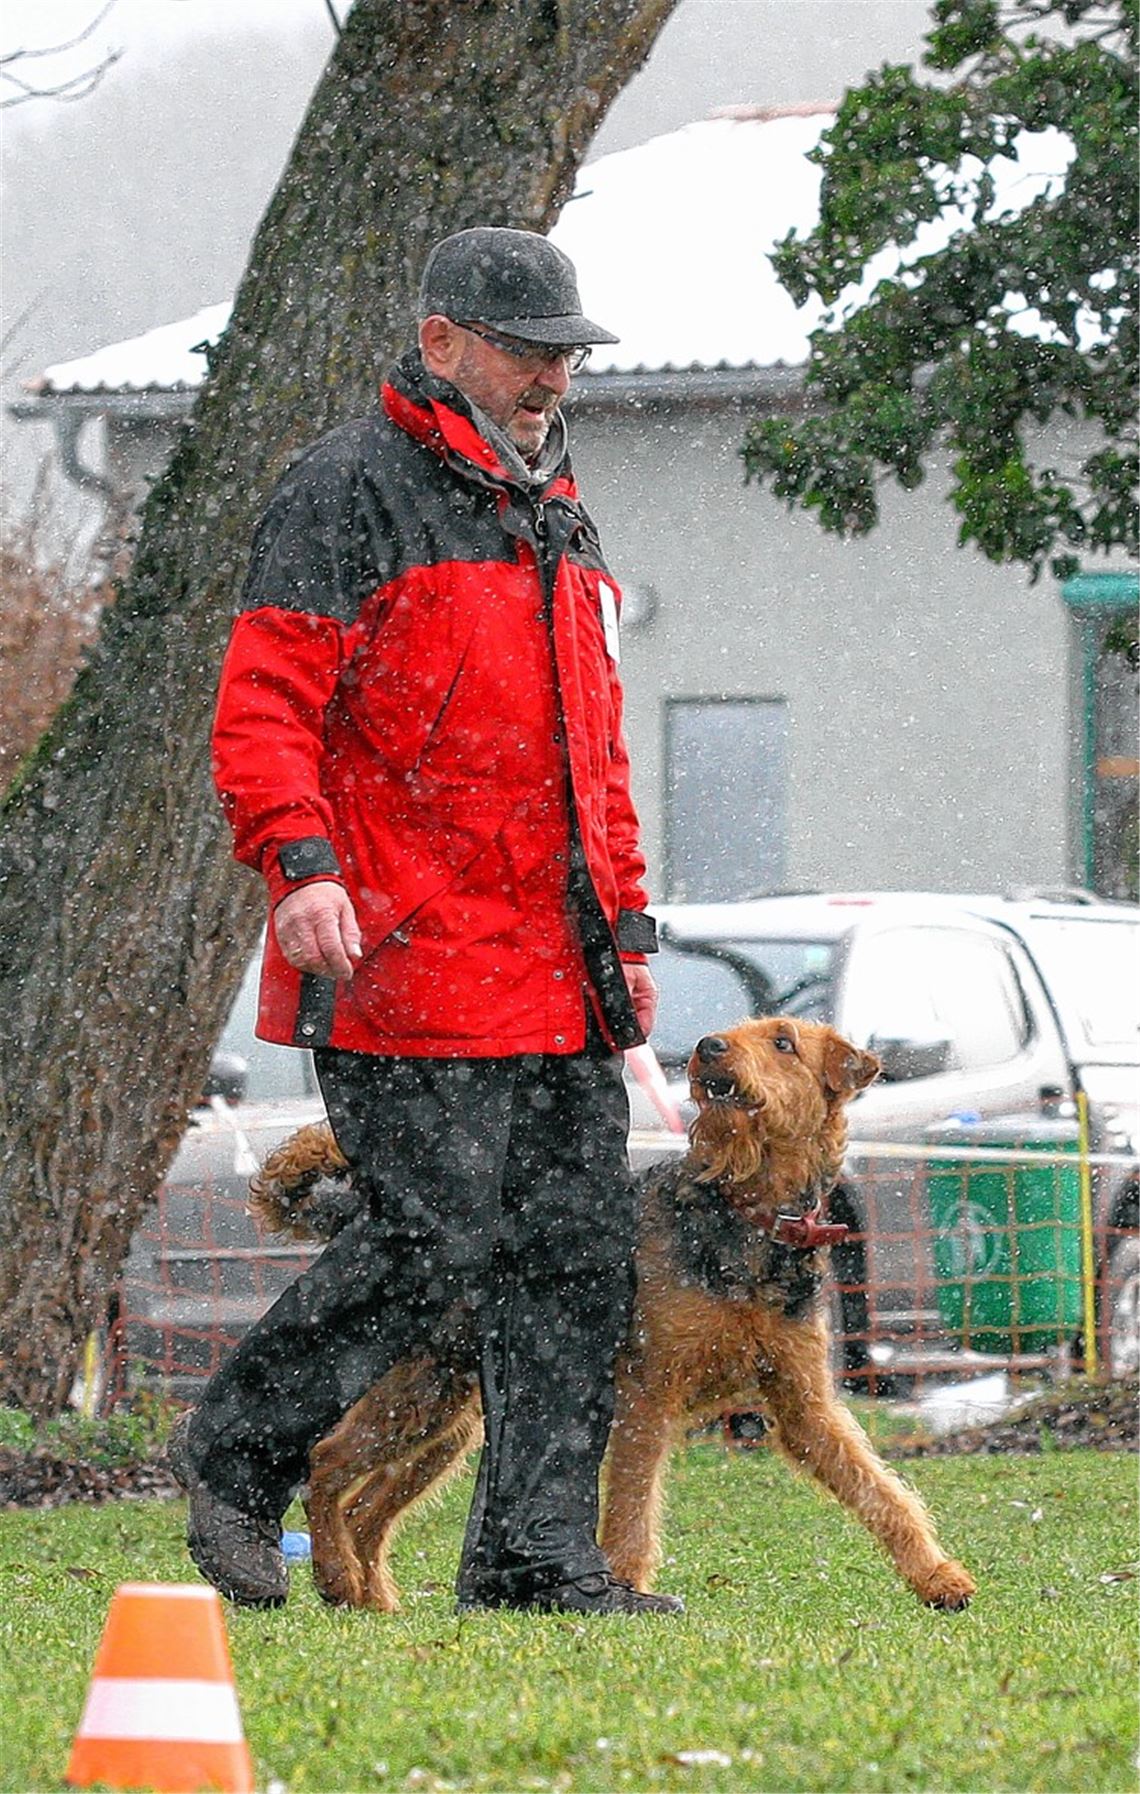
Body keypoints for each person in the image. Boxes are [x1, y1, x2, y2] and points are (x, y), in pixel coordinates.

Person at [173, 226, 683, 1618]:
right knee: (433, 1240)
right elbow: (265, 701)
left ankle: (533, 1556)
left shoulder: (559, 509)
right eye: (528, 352)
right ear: (442, 341)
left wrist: (627, 931)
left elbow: (597, 752)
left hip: (559, 965)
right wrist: (301, 862)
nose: (550, 379)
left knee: (575, 1261)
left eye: (566, 357)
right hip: (402, 956)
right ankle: (233, 1455)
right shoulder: (343, 489)